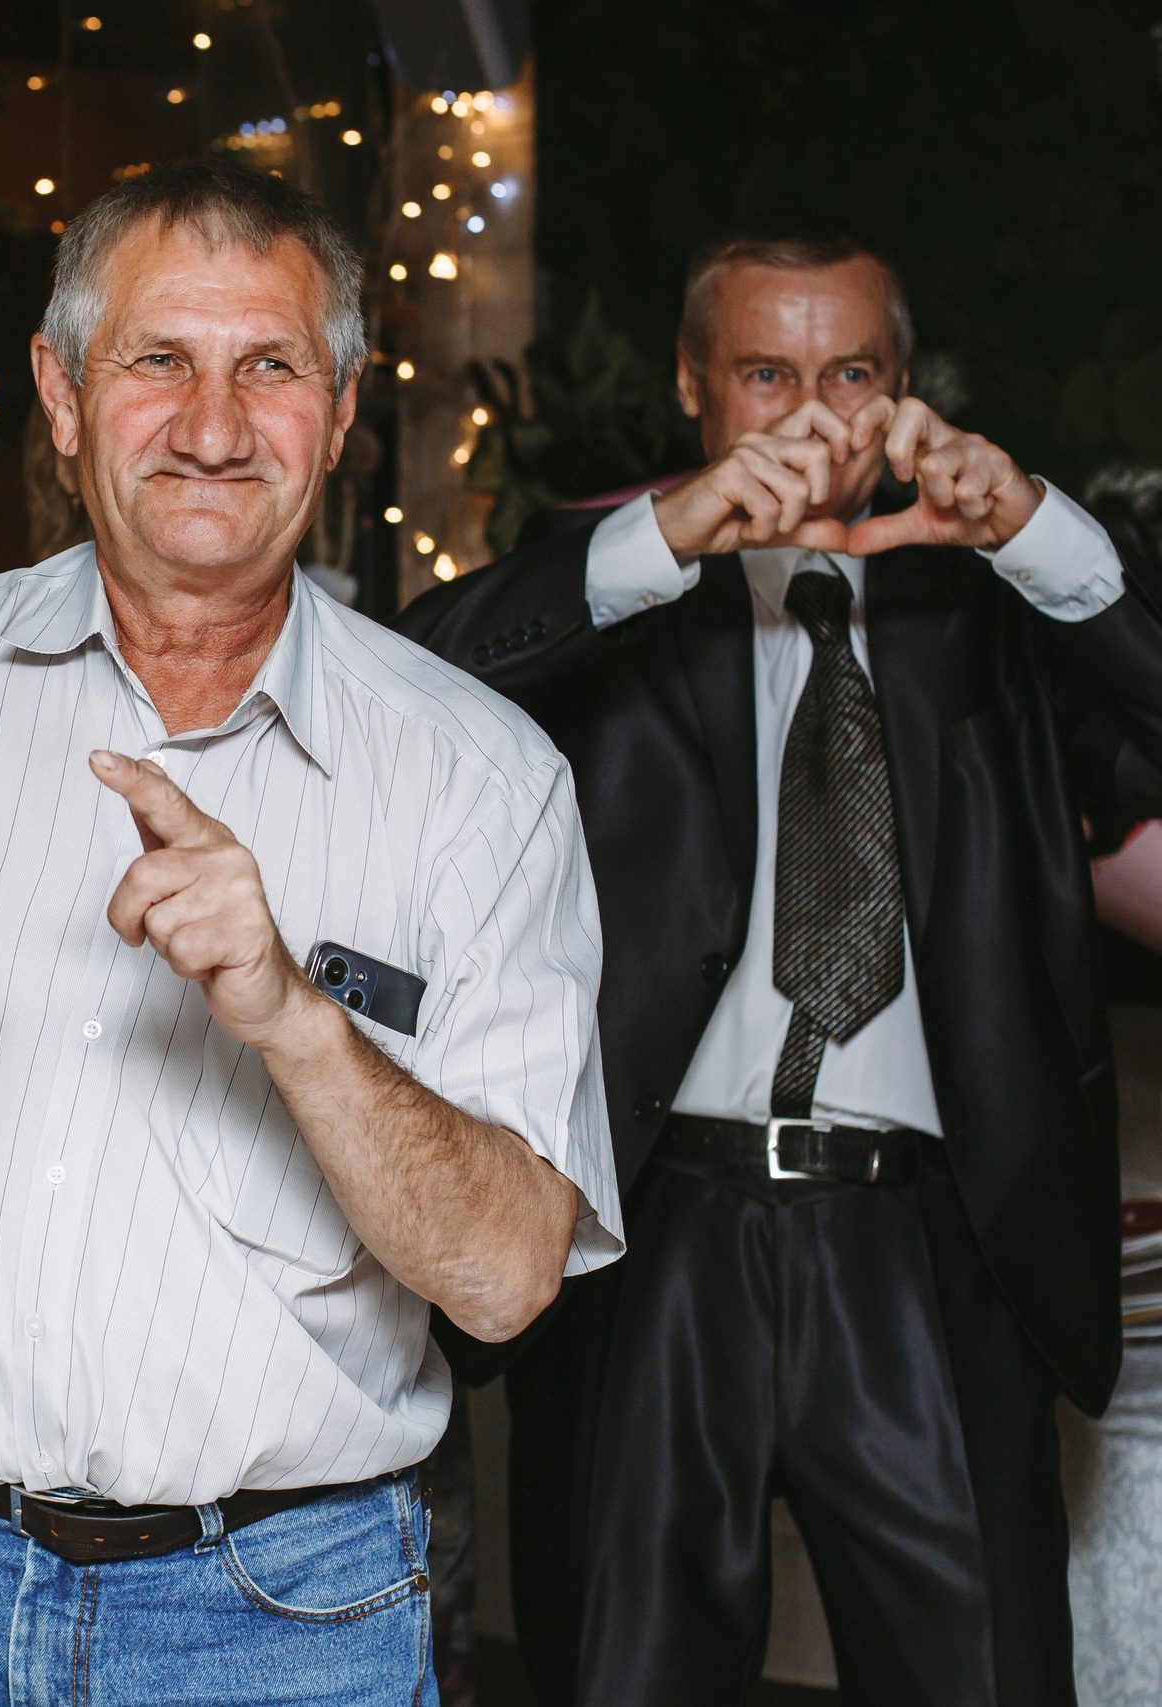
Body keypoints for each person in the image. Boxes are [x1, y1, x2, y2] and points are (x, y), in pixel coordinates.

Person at [0, 159, 622, 1706]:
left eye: (269, 365)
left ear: (344, 403)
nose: (210, 424)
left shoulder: (484, 779)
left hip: (280, 1619)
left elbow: (509, 1275)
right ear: (59, 395)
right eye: (158, 361)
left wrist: (290, 1012)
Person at [397, 217, 1162, 1705]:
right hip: (653, 1232)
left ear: (907, 389)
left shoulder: (995, 615)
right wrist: (666, 536)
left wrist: (1043, 534)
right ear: (694, 388)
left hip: (936, 1245)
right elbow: (401, 689)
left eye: (853, 371)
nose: (813, 414)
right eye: (764, 373)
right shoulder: (620, 609)